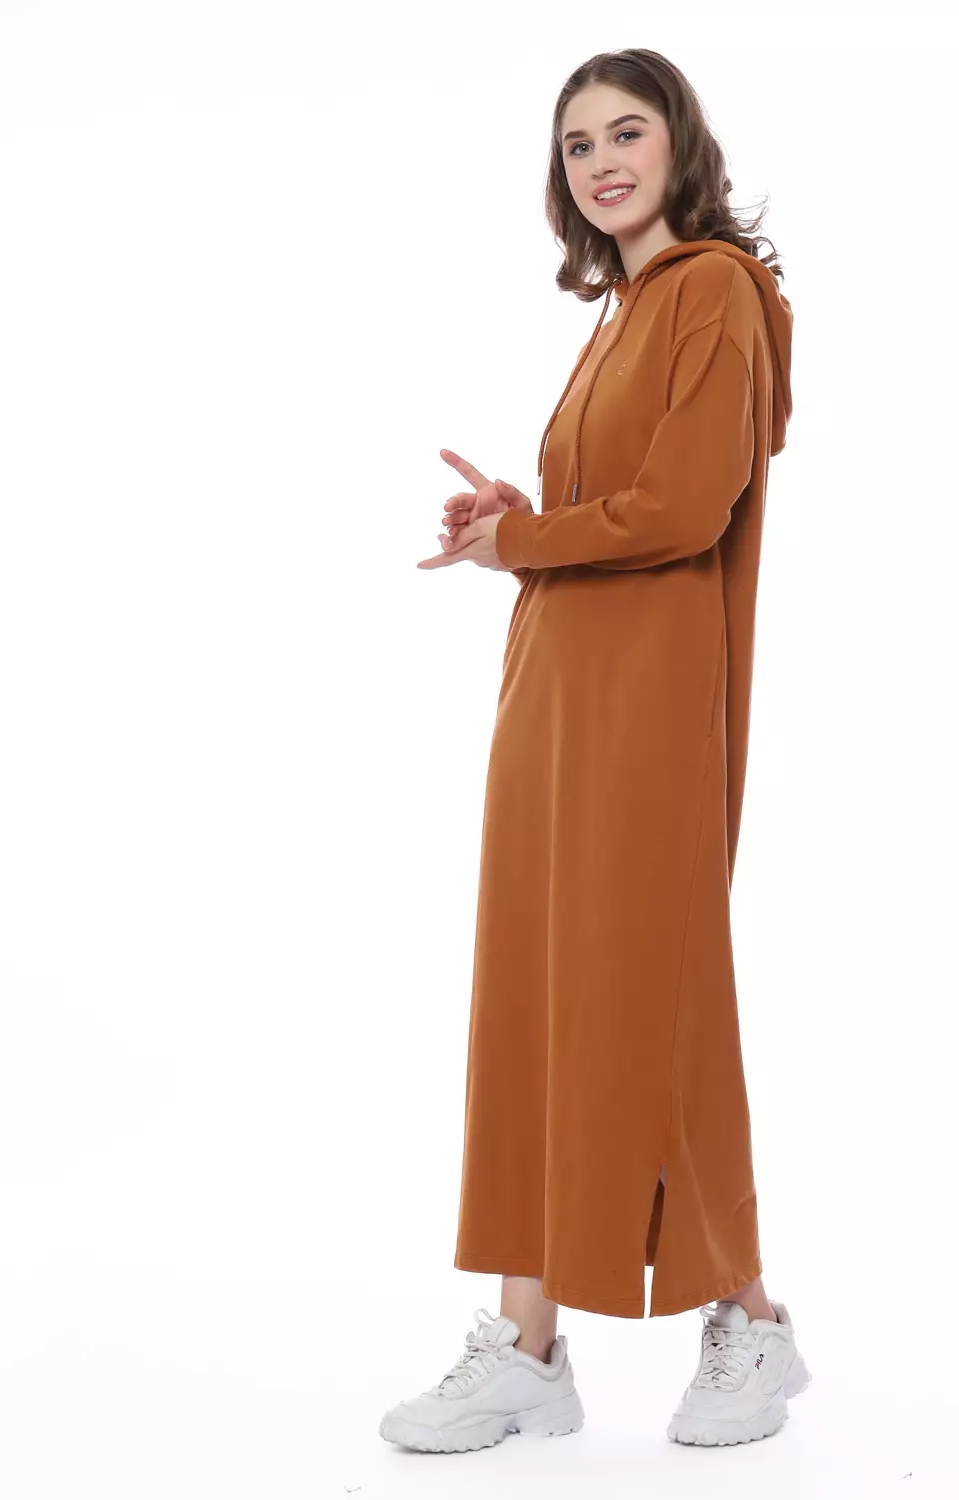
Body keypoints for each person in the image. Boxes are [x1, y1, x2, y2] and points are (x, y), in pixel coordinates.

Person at [381, 48, 803, 1453]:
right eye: (578, 146)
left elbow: (685, 508)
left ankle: (750, 1320)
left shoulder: (713, 291)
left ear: (680, 144)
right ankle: (527, 1344)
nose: (604, 162)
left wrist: (530, 537)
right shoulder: (620, 313)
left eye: (628, 133)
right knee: (537, 992)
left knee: (654, 997)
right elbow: (611, 506)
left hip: (649, 708)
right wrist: (519, 518)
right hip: (556, 690)